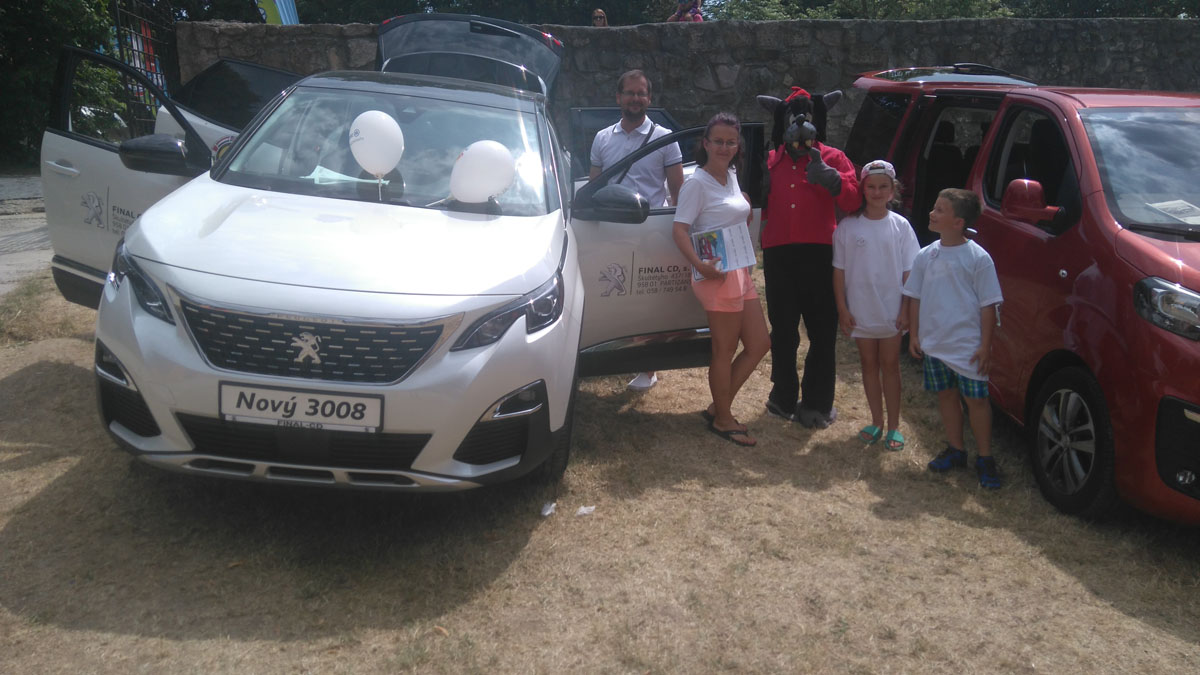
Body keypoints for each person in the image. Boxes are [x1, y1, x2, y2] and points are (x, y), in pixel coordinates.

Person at [759, 88, 861, 429]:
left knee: (821, 330)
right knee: (783, 331)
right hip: (779, 255)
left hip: (821, 254)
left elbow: (853, 201)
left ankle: (817, 402)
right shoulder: (770, 160)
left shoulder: (834, 157)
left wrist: (834, 181)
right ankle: (783, 395)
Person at [672, 112, 770, 446]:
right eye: (718, 141)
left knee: (759, 344)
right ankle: (723, 419)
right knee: (724, 350)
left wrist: (744, 205)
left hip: (738, 269)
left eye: (731, 142)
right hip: (715, 274)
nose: (724, 147)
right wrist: (701, 265)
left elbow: (732, 210)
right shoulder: (696, 184)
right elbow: (680, 230)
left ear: (737, 145)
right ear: (706, 144)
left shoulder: (731, 174)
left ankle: (719, 405)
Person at [590, 69, 684, 391]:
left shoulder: (665, 137)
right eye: (629, 93)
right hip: (610, 230)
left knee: (648, 299)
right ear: (618, 97)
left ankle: (648, 367)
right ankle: (609, 351)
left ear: (649, 97)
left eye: (641, 93)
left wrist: (677, 231)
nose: (635, 98)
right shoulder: (602, 138)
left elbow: (677, 192)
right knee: (610, 293)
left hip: (650, 230)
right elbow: (595, 187)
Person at [903, 188, 1004, 489]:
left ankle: (985, 458)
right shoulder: (926, 255)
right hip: (936, 344)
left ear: (958, 222)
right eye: (934, 207)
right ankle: (956, 450)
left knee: (977, 401)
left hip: (968, 347)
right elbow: (914, 296)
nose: (931, 213)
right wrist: (914, 335)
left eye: (940, 210)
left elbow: (988, 305)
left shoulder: (978, 258)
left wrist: (985, 346)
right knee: (946, 395)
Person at [832, 160, 919, 451]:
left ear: (893, 191)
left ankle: (894, 425)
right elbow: (839, 271)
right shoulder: (847, 227)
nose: (877, 192)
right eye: (871, 186)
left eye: (883, 187)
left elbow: (910, 272)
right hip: (861, 311)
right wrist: (842, 308)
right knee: (868, 365)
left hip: (891, 312)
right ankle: (876, 421)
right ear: (863, 189)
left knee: (890, 366)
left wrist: (906, 309)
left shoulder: (901, 227)